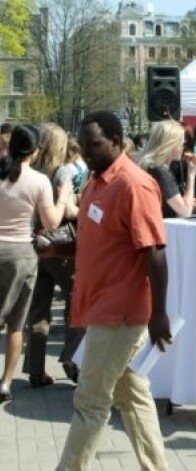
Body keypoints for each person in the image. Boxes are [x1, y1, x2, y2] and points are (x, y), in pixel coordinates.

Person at [56, 110, 171, 470]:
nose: (86, 151)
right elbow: (98, 238)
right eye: (82, 145)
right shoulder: (95, 181)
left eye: (95, 144)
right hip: (101, 307)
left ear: (117, 142)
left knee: (90, 401)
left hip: (118, 313)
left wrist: (160, 312)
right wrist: (57, 247)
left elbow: (154, 252)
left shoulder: (133, 185)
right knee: (132, 395)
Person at [0, 125, 72, 402]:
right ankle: (6, 382)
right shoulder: (39, 180)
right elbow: (52, 222)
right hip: (21, 253)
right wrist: (63, 196)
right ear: (35, 150)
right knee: (16, 324)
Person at [23, 123, 82, 387]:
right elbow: (68, 212)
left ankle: (35, 369)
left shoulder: (30, 172)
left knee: (38, 310)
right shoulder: (63, 173)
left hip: (36, 247)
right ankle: (72, 360)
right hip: (62, 249)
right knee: (75, 303)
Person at [139, 120, 196, 218]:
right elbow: (185, 211)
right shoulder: (160, 171)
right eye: (182, 143)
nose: (183, 148)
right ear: (171, 144)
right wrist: (191, 175)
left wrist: (187, 201)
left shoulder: (149, 166)